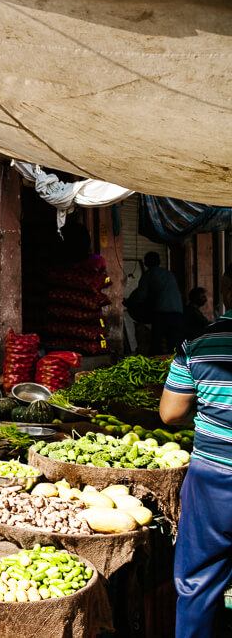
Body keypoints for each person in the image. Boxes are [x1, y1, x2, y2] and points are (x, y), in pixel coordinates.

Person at [159, 270, 232, 637]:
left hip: (212, 479)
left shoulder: (198, 342)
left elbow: (170, 413)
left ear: (224, 293)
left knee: (199, 583)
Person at [125, 251, 184, 354]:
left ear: (146, 262)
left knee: (156, 343)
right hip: (178, 312)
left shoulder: (149, 275)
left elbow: (140, 297)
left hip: (162, 313)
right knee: (173, 343)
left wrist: (129, 303)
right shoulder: (168, 274)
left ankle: (156, 366)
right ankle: (177, 366)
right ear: (159, 261)